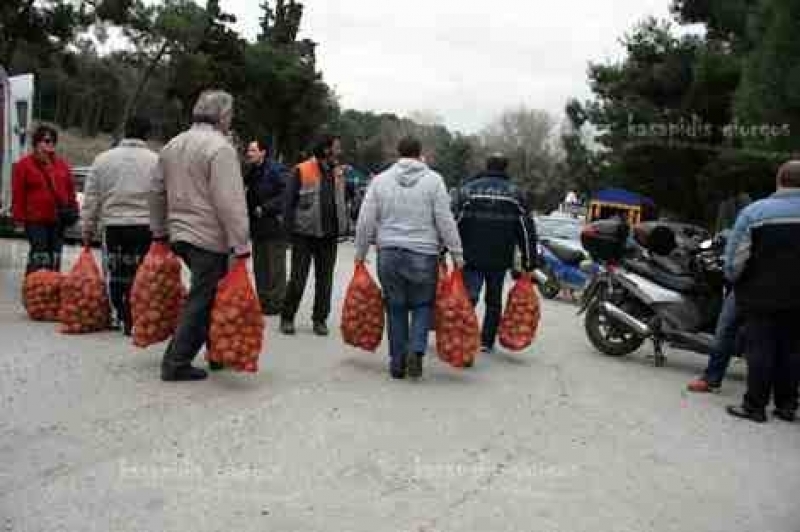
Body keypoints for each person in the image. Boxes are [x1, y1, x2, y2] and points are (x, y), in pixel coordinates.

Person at [150, 90, 250, 382]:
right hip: (208, 236)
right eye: (230, 115)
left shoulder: (173, 144)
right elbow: (229, 201)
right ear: (223, 116)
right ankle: (176, 362)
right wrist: (241, 243)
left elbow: (155, 191)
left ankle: (216, 352)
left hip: (179, 234)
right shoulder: (220, 149)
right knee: (202, 299)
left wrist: (159, 231)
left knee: (207, 294)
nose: (231, 120)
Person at [355, 136, 463, 379]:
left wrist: (360, 254)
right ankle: (416, 349)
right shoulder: (434, 181)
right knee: (423, 305)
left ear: (398, 153)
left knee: (395, 307)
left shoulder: (380, 180)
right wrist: (457, 253)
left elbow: (365, 219)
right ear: (419, 152)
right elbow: (445, 220)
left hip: (389, 252)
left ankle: (397, 361)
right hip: (424, 253)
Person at [724, 160, 800, 423]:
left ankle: (754, 406)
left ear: (779, 180)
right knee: (792, 350)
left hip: (760, 294)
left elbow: (736, 257)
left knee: (760, 349)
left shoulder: (755, 212)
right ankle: (787, 406)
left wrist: (732, 278)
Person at [452, 153, 538, 361]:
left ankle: (464, 335)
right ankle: (486, 341)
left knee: (468, 298)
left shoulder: (468, 190)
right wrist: (529, 262)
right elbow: (526, 230)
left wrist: (444, 251)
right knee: (493, 301)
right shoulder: (516, 194)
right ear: (505, 168)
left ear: (486, 166)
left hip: (471, 256)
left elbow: (454, 223)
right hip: (499, 259)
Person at [81, 116, 159, 336]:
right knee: (139, 271)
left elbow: (91, 197)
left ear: (125, 131)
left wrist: (88, 228)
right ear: (147, 134)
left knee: (116, 270)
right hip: (144, 225)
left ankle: (119, 311)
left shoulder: (102, 159)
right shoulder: (156, 161)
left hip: (113, 225)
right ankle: (134, 313)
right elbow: (162, 197)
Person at [280, 134, 348, 337]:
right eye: (337, 147)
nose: (339, 151)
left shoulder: (338, 172)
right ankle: (287, 317)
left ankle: (320, 320)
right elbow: (288, 203)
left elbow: (342, 199)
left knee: (325, 280)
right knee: (298, 279)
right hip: (304, 235)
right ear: (326, 150)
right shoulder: (302, 169)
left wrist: (344, 227)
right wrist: (287, 234)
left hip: (329, 235)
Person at [687, 194, 752, 393]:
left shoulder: (756, 213)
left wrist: (731, 274)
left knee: (726, 328)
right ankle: (786, 397)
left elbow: (737, 253)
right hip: (785, 288)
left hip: (751, 284)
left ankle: (712, 378)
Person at [12, 125, 78, 273]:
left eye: (53, 141)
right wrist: (19, 219)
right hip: (35, 220)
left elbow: (70, 191)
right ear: (36, 143)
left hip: (58, 219)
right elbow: (18, 194)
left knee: (55, 257)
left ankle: (52, 284)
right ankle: (33, 284)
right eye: (46, 140)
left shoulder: (62, 165)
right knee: (39, 254)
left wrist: (74, 209)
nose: (50, 144)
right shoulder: (24, 165)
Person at [244, 138, 289, 315]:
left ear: (263, 152)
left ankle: (277, 303)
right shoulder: (252, 171)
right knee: (260, 267)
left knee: (275, 267)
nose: (249, 153)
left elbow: (286, 194)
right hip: (257, 228)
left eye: (253, 150)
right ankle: (263, 302)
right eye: (249, 150)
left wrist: (266, 207)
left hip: (274, 226)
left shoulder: (276, 170)